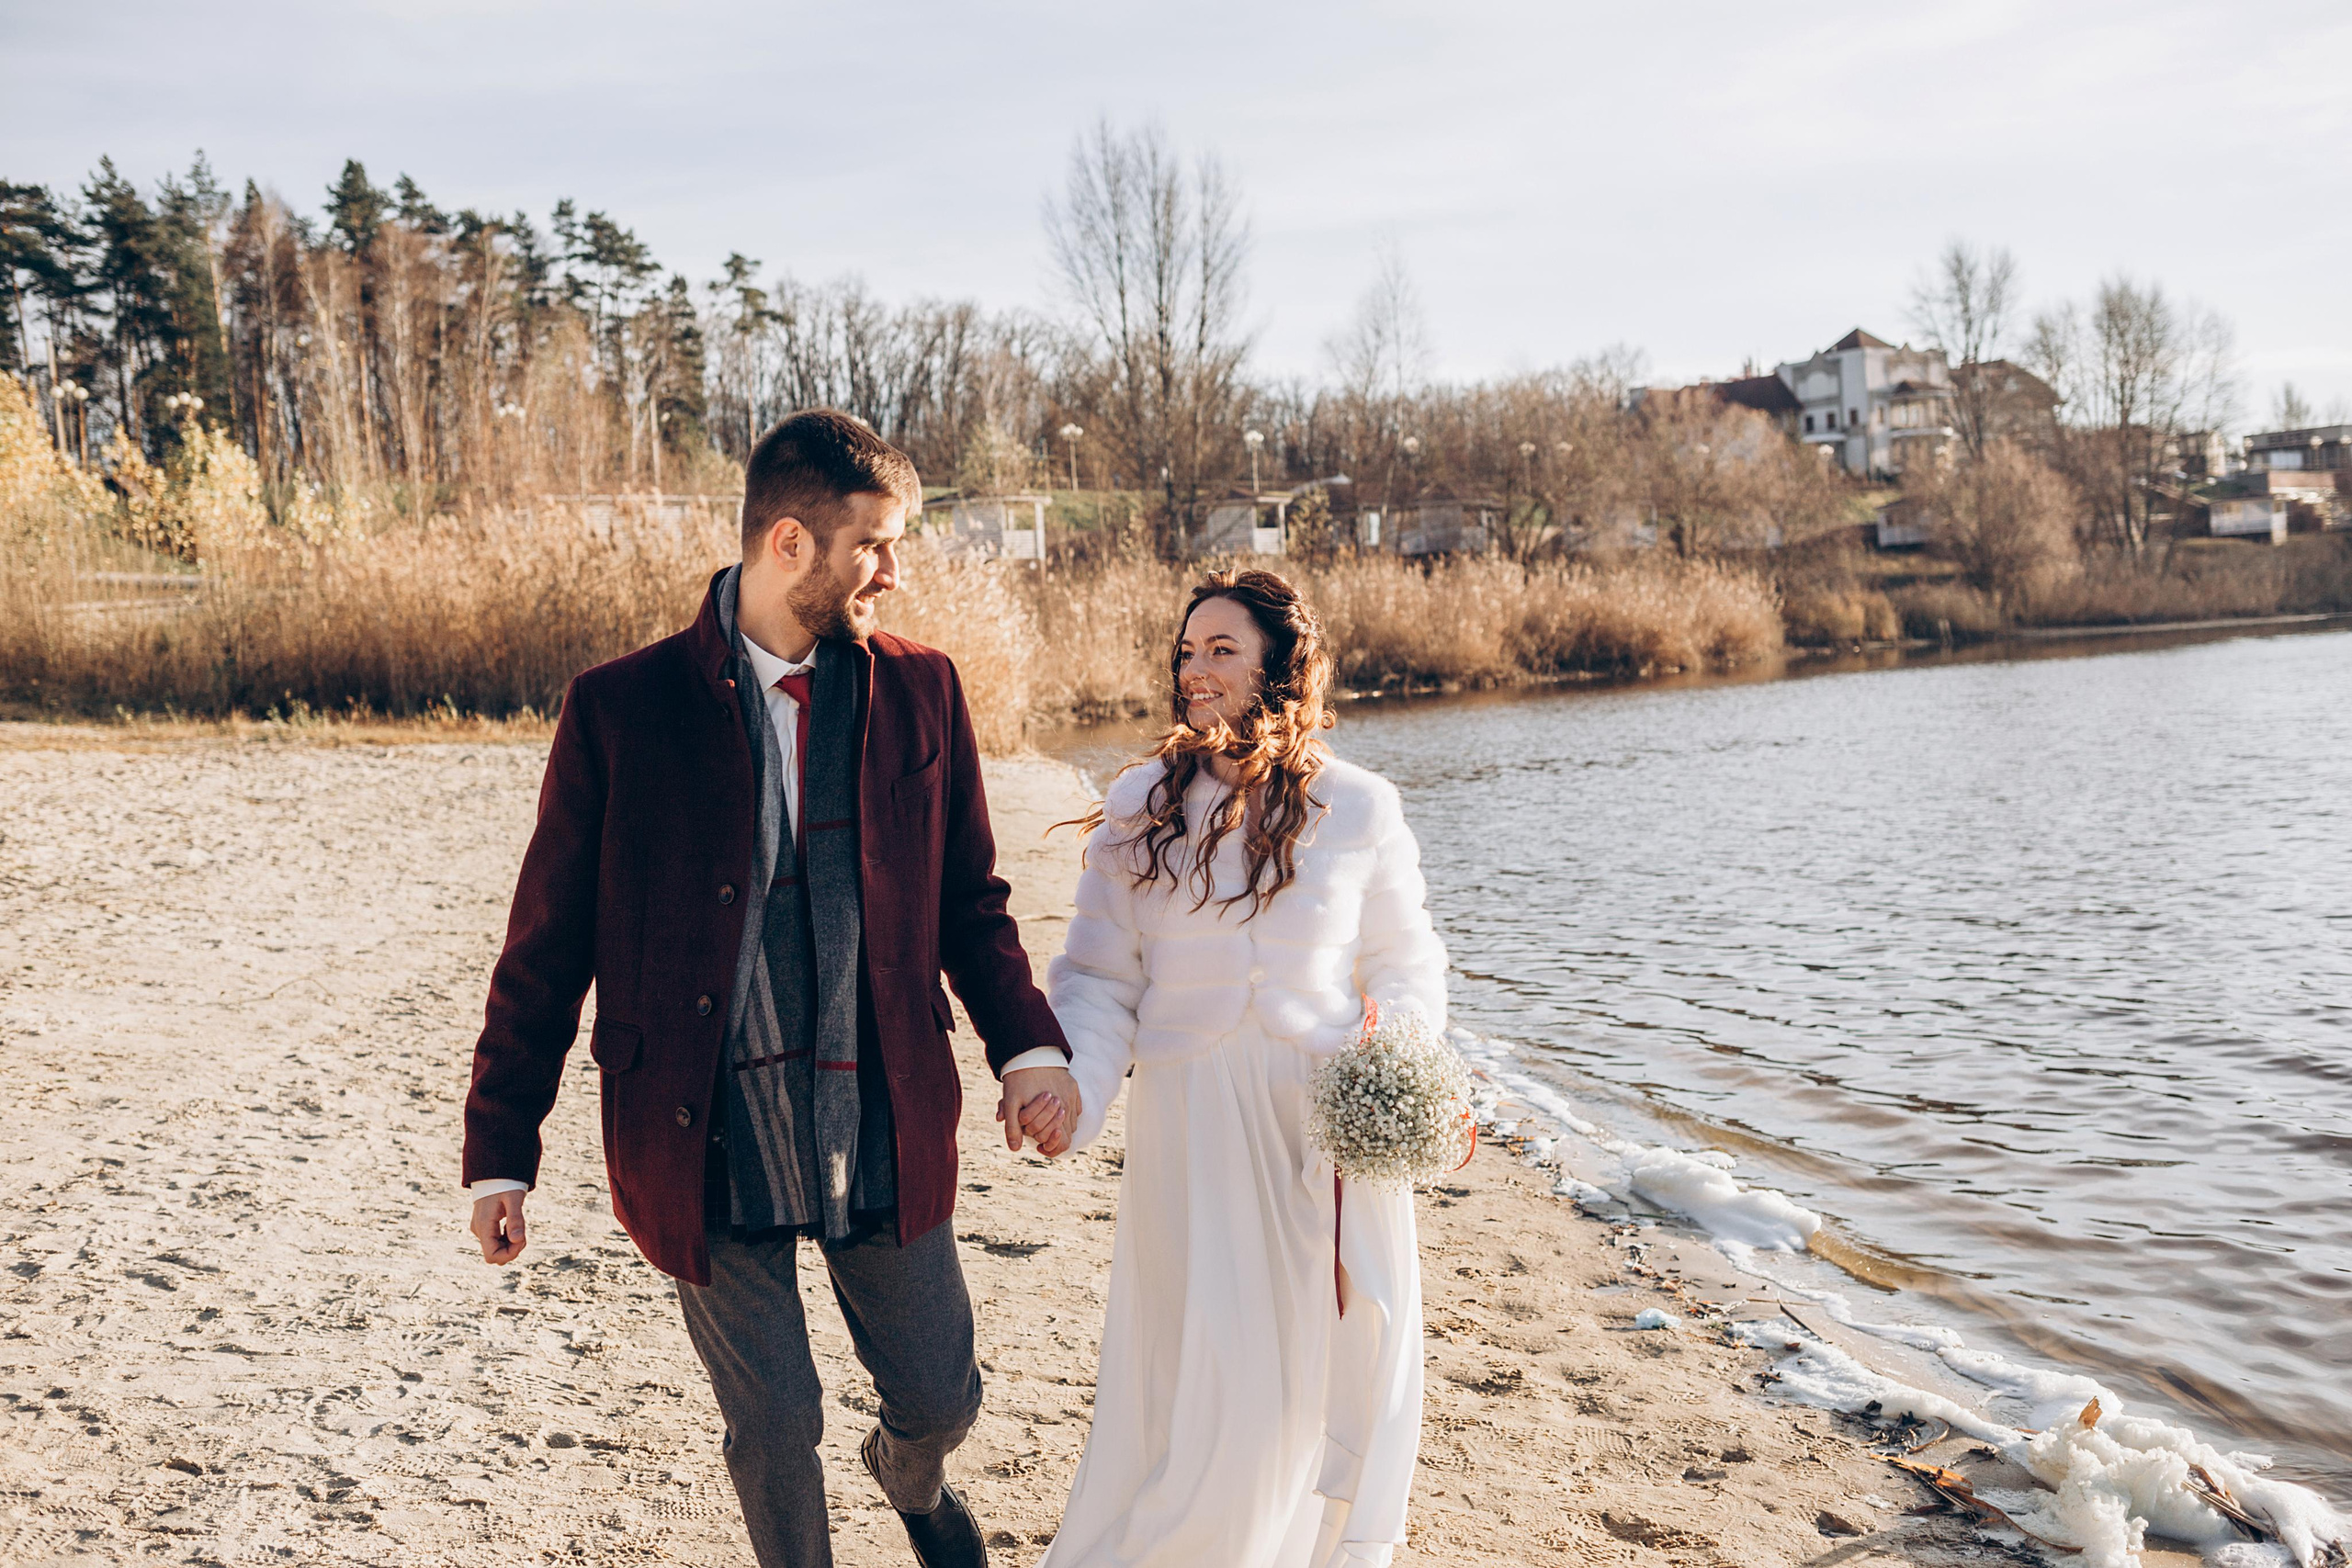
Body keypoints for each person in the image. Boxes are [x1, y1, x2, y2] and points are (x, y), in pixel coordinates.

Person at [458, 409, 1081, 1568]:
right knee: (776, 1420)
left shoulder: (923, 691)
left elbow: (968, 899)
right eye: (874, 547)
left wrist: (1029, 1048)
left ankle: (909, 1479)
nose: (893, 572)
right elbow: (545, 945)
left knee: (942, 1394)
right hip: (700, 1124)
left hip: (880, 1107)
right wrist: (502, 1150)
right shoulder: (620, 710)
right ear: (789, 543)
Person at [1033, 570, 1447, 1568]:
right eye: (1187, 651)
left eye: (1222, 648)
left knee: (1320, 1372)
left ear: (1279, 666)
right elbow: (1095, 977)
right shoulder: (1141, 805)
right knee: (1213, 1372)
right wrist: (1075, 1089)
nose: (1196, 669)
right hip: (1195, 1127)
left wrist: (1388, 1062)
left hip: (1320, 1127)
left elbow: (1407, 960)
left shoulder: (1360, 807)